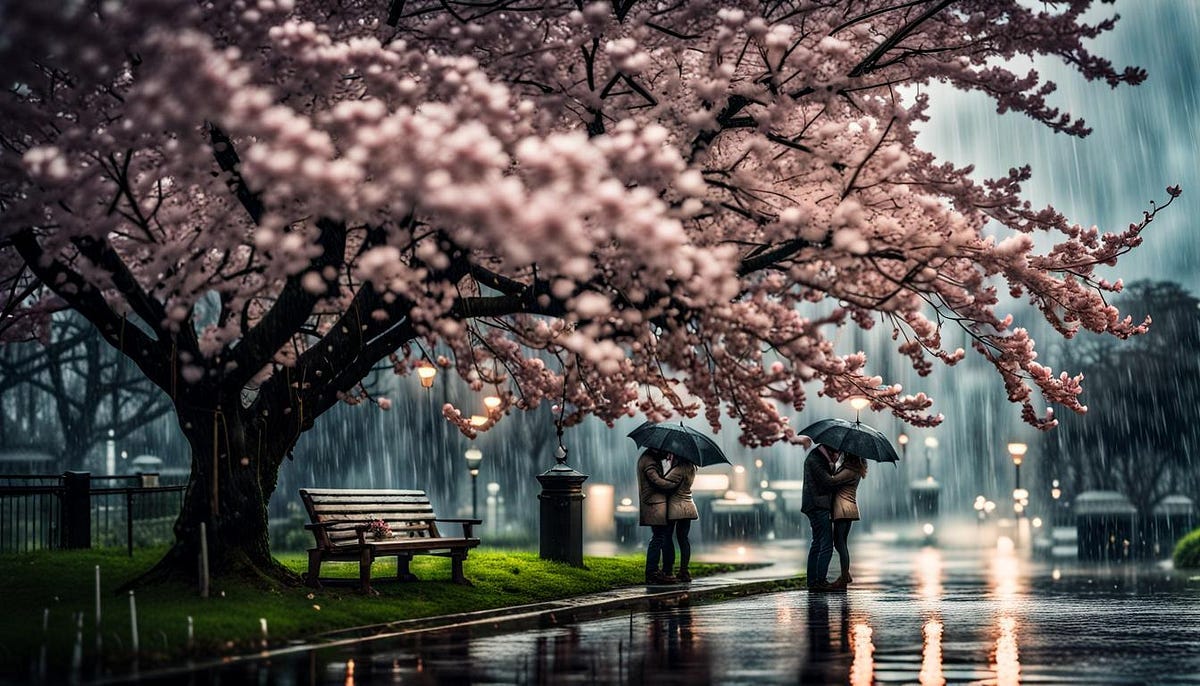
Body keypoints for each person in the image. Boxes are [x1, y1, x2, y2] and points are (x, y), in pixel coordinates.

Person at [799, 437, 857, 591]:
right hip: (817, 505)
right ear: (829, 449)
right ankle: (819, 581)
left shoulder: (819, 458)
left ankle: (814, 581)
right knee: (826, 544)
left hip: (818, 504)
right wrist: (834, 470)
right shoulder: (816, 459)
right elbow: (827, 481)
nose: (838, 455)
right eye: (836, 452)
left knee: (818, 543)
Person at [637, 448, 681, 584]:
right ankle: (652, 572)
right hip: (654, 504)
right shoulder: (649, 461)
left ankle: (661, 571)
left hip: (657, 503)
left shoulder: (650, 458)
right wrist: (674, 484)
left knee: (662, 537)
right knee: (658, 538)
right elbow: (656, 480)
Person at [830, 452, 868, 589]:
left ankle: (845, 575)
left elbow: (832, 481)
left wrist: (831, 467)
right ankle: (845, 574)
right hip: (848, 508)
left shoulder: (850, 471)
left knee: (839, 543)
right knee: (841, 543)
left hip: (843, 509)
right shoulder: (855, 470)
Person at [663, 455, 698, 582]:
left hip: (675, 507)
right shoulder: (691, 468)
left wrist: (666, 469)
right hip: (688, 506)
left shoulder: (679, 469)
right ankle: (684, 571)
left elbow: (664, 484)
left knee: (667, 537)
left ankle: (668, 570)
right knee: (683, 539)